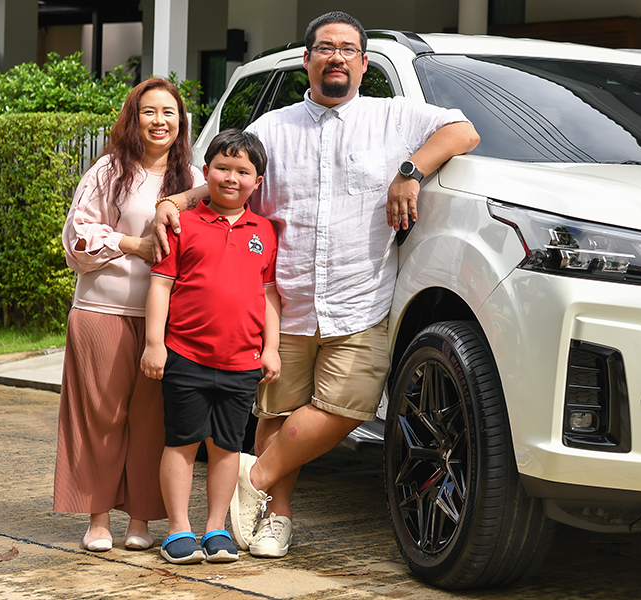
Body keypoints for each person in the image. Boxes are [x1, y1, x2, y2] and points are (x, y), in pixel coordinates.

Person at [153, 11, 479, 557]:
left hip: (361, 297)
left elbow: (463, 130)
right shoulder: (272, 128)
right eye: (325, 48)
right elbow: (224, 183)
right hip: (285, 299)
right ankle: (275, 518)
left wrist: (410, 171)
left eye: (348, 49)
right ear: (307, 60)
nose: (337, 57)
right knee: (275, 414)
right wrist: (175, 202)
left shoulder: (394, 117)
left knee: (349, 406)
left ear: (364, 63)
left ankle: (250, 484)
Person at [55, 78, 204, 552]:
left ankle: (141, 520)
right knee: (102, 416)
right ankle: (99, 519)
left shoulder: (196, 180)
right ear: (132, 118)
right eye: (148, 111)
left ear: (181, 122)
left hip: (168, 322)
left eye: (169, 112)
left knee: (152, 421)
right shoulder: (108, 170)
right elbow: (76, 237)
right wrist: (132, 244)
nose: (159, 121)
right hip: (102, 310)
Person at [140, 129, 282, 564]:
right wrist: (153, 344)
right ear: (206, 173)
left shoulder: (265, 231)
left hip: (242, 362)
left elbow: (270, 295)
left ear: (257, 182)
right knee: (182, 442)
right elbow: (161, 285)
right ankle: (178, 529)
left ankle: (215, 527)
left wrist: (271, 349)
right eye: (222, 168)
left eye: (243, 172)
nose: (231, 178)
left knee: (226, 447)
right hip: (186, 354)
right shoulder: (183, 224)